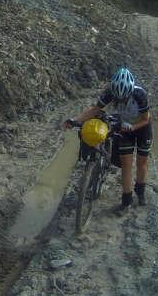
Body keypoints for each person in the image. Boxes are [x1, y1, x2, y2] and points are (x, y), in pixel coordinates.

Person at [63, 67, 152, 212]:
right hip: (124, 128)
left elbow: (145, 119)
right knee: (126, 165)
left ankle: (140, 192)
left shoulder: (140, 94)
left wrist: (133, 127)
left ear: (130, 91)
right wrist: (74, 120)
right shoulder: (110, 92)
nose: (121, 100)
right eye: (118, 99)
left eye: (124, 98)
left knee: (141, 162)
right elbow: (94, 110)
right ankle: (126, 201)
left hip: (142, 127)